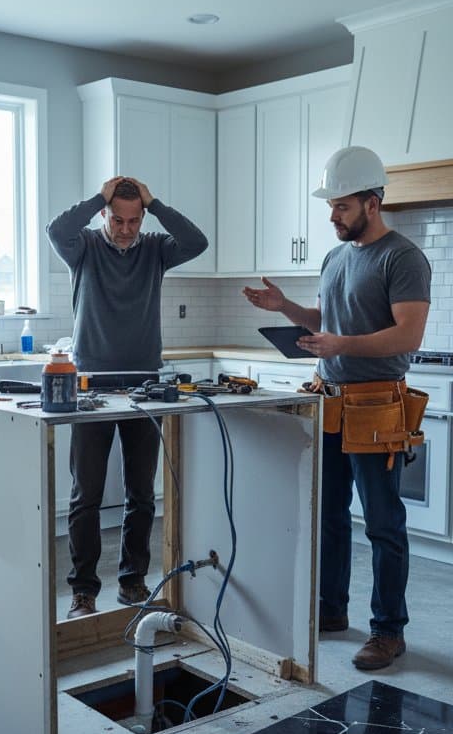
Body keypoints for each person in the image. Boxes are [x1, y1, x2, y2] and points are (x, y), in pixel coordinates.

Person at [243, 145, 431, 670]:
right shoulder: (335, 256)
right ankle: (330, 612)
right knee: (331, 517)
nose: (331, 215)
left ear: (372, 203)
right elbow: (326, 316)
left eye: (341, 206)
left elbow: (408, 335)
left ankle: (389, 632)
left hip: (376, 407)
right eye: (331, 206)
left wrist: (341, 345)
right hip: (330, 403)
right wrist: (285, 308)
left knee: (383, 524)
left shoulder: (403, 257)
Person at [47, 176, 209, 619]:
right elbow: (55, 230)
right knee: (87, 495)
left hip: (144, 384)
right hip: (92, 385)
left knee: (141, 493)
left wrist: (155, 204)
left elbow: (198, 241)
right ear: (104, 214)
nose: (125, 229)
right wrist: (99, 196)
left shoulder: (156, 248)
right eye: (117, 219)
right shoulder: (82, 247)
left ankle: (133, 581)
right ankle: (83, 591)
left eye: (133, 220)